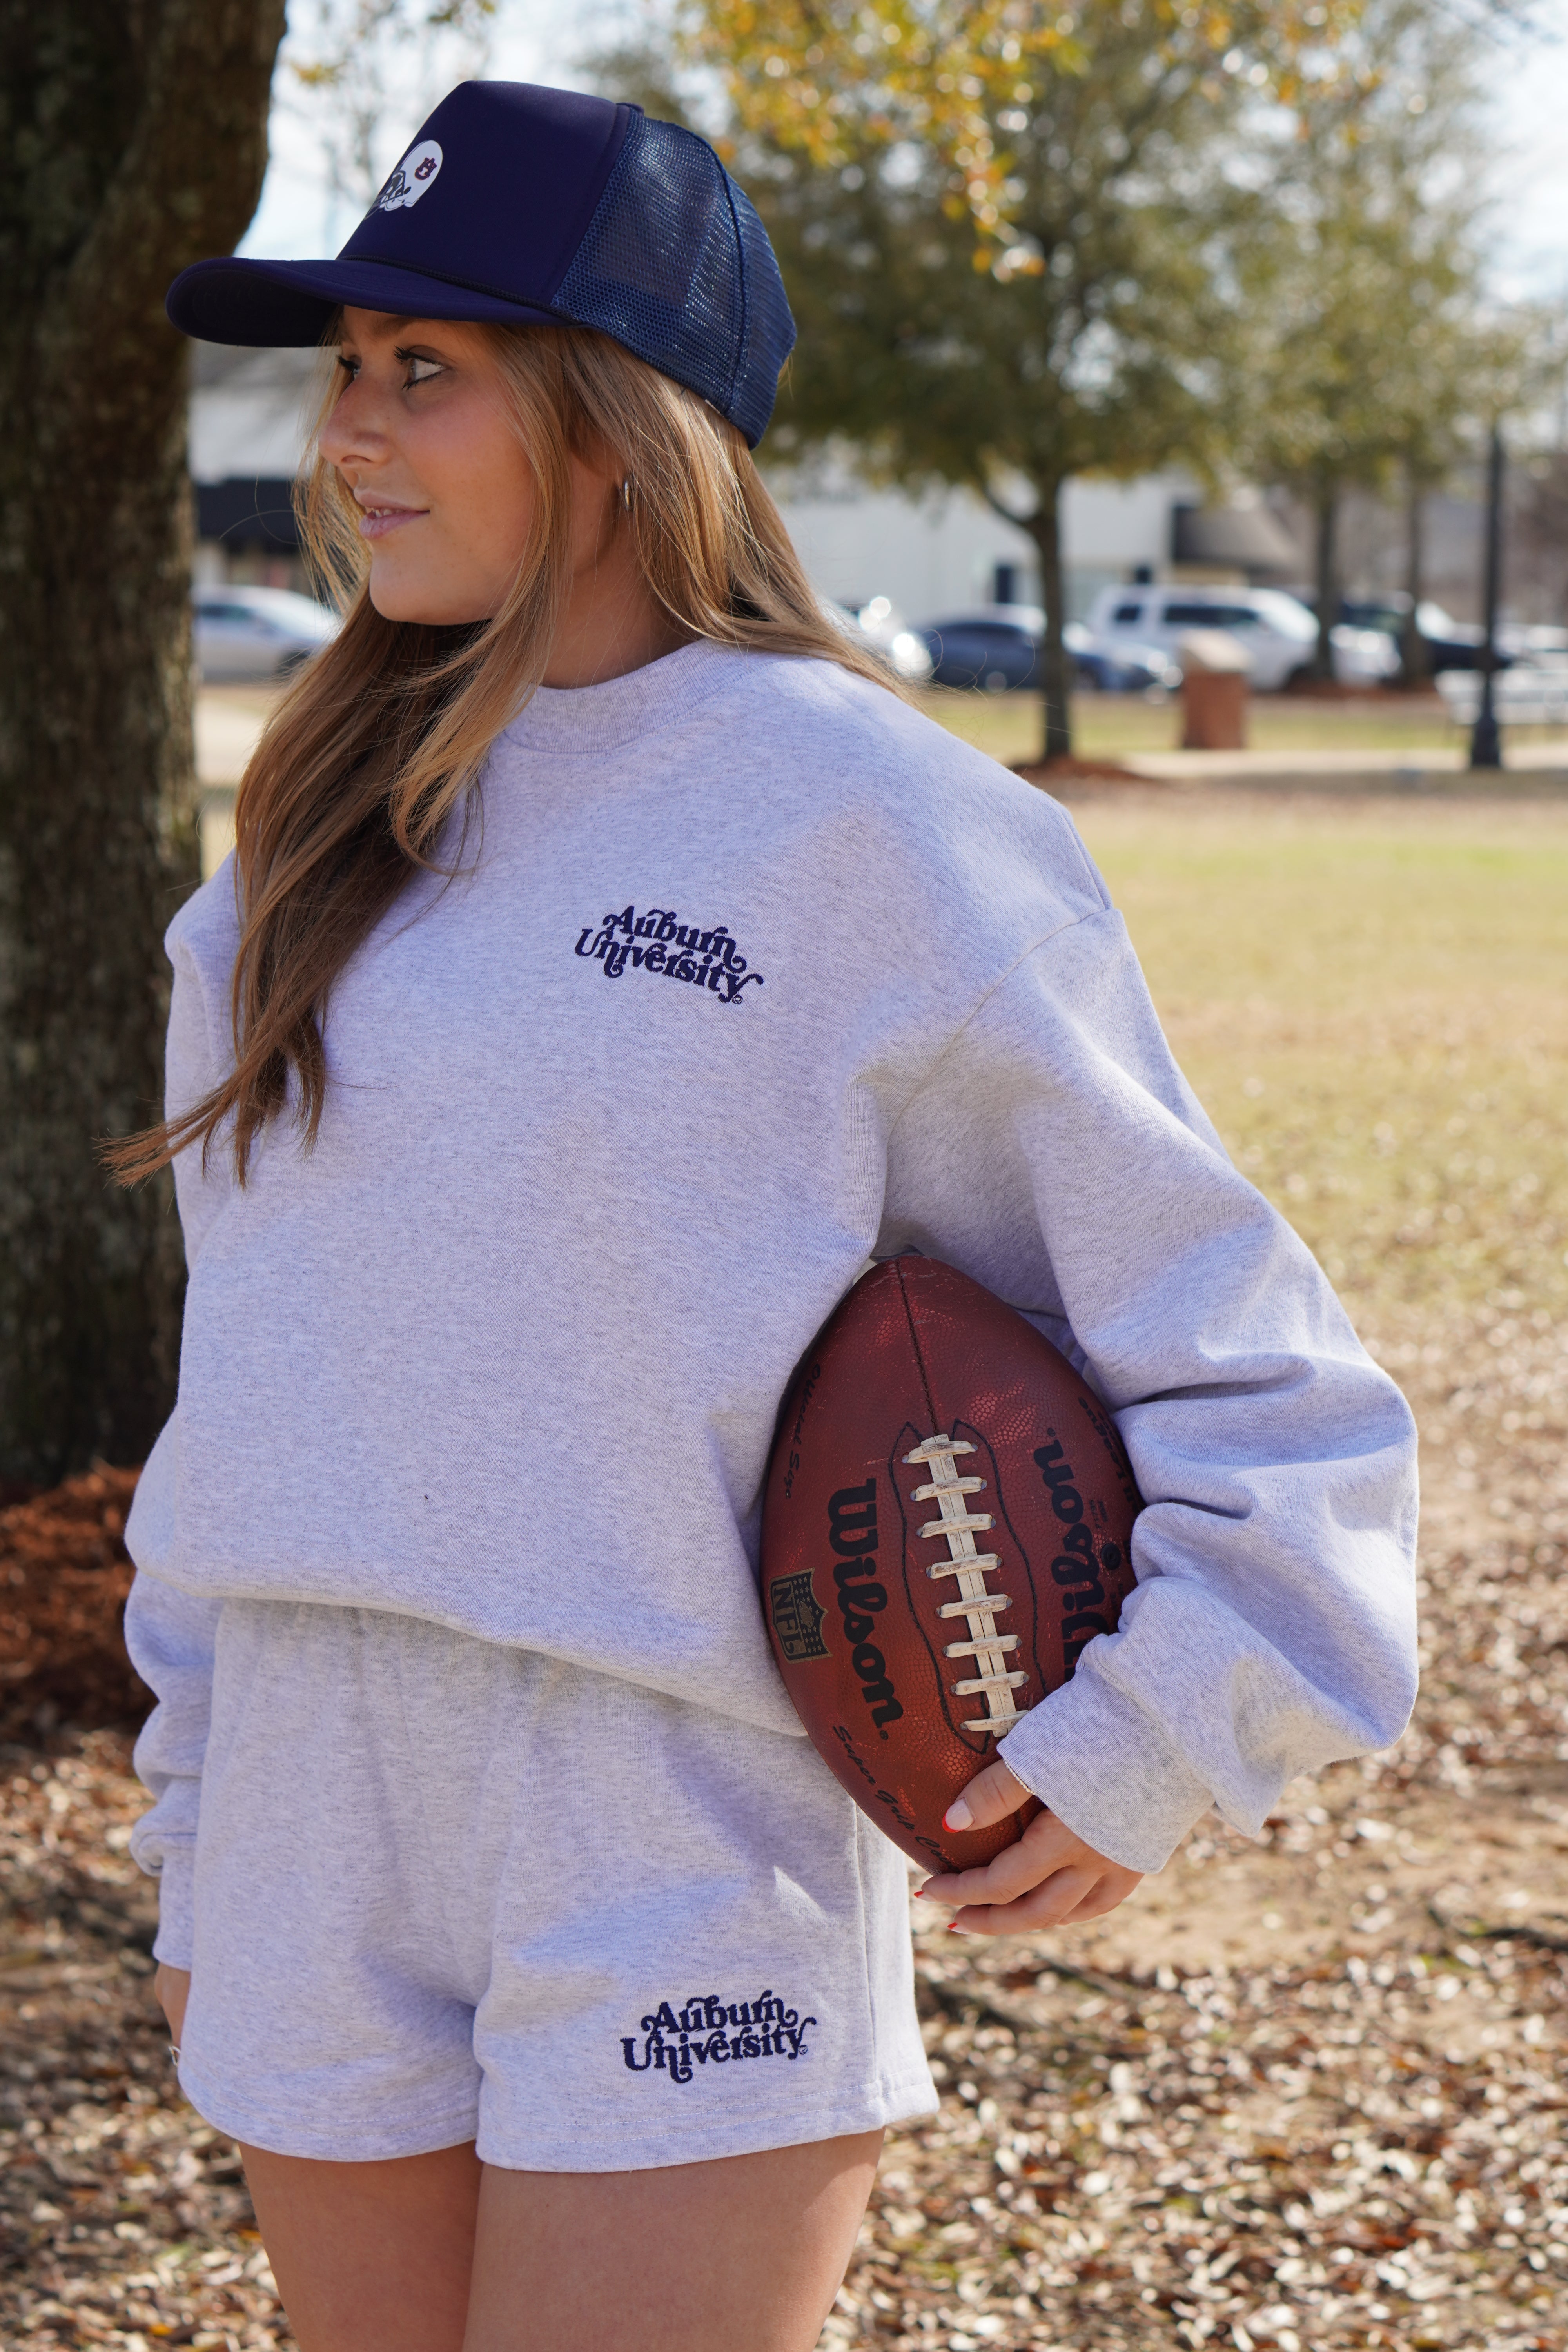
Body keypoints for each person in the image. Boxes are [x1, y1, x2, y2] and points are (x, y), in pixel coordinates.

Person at [114, 78, 1419, 2352]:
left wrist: (1158, 1727)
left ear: (621, 426)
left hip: (670, 1815)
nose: (351, 432)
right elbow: (248, 1393)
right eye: (345, 365)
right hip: (320, 1810)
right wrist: (203, 1818)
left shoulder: (869, 826)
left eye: (430, 370)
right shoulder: (301, 845)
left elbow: (1261, 1377)